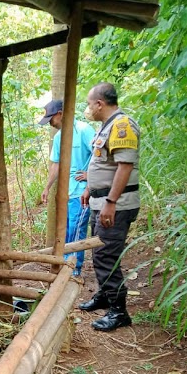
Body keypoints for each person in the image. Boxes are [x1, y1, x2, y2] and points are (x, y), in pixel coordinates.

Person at [80, 83, 140, 332]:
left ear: (99, 104)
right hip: (102, 201)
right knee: (99, 251)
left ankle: (119, 310)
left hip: (115, 204)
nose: (88, 109)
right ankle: (105, 295)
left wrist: (110, 202)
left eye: (88, 103)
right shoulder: (107, 126)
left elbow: (124, 167)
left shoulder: (122, 126)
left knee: (106, 254)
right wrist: (89, 189)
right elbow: (103, 165)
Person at [39, 99, 95, 277]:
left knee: (77, 230)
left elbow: (99, 155)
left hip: (82, 192)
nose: (51, 123)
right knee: (68, 230)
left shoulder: (85, 130)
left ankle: (74, 269)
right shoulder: (58, 138)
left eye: (51, 119)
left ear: (60, 114)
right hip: (67, 193)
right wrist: (47, 187)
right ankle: (68, 265)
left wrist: (90, 175)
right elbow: (55, 164)